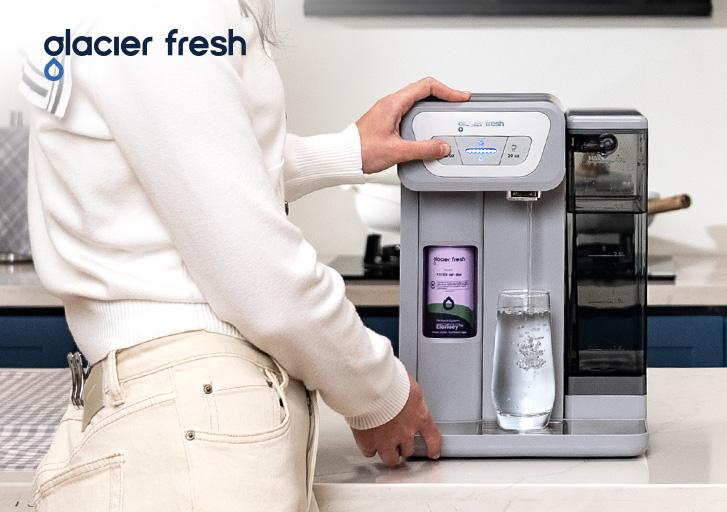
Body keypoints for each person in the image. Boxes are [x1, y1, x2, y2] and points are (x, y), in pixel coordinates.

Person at [21, 0, 467, 510]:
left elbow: (154, 173)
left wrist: (345, 151)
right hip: (194, 411)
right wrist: (380, 392)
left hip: (160, 407)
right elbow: (263, 280)